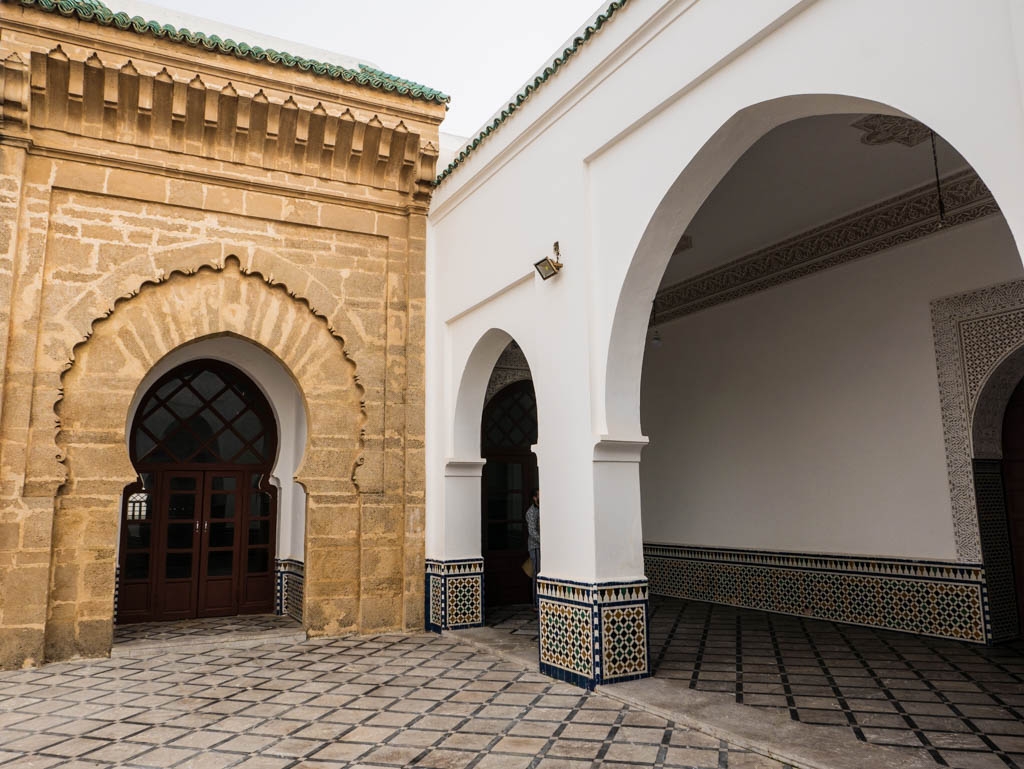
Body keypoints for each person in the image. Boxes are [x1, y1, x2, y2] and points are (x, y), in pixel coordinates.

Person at [525, 488, 540, 609]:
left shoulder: (542, 509)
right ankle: (536, 603)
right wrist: (545, 542)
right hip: (536, 547)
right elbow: (532, 532)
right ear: (535, 498)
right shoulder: (531, 512)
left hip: (542, 547)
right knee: (537, 573)